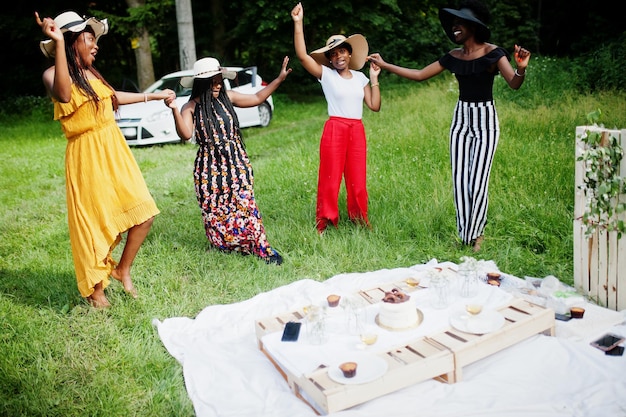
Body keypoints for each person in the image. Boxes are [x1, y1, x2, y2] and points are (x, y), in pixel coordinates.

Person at [35, 11, 175, 308]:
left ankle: (122, 269)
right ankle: (94, 290)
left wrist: (154, 96)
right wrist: (58, 42)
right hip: (86, 155)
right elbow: (63, 93)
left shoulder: (91, 76)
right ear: (72, 42)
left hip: (113, 148)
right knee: (93, 222)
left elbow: (113, 97)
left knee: (144, 212)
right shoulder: (52, 75)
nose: (96, 45)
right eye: (89, 39)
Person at [367, 0, 530, 251]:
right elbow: (420, 75)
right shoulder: (453, 57)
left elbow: (514, 83)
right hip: (461, 121)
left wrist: (520, 69)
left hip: (486, 120)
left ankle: (478, 235)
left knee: (478, 182)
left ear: (473, 27)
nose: (454, 27)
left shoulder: (494, 53)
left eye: (459, 23)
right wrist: (385, 65)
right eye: (452, 24)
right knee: (461, 181)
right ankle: (465, 237)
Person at [165, 57, 291, 264]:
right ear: (201, 84)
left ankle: (260, 247)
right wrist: (174, 111)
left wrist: (279, 79)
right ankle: (225, 246)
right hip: (208, 165)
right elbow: (186, 134)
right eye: (212, 81)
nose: (217, 84)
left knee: (245, 203)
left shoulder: (228, 97)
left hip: (235, 159)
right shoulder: (190, 107)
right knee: (214, 209)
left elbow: (258, 97)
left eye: (218, 80)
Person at [291, 2, 381, 234]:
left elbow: (374, 105)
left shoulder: (361, 78)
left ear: (349, 53)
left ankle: (359, 219)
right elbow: (302, 56)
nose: (339, 56)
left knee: (358, 180)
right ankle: (326, 221)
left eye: (342, 51)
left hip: (356, 130)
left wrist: (374, 78)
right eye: (333, 53)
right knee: (330, 179)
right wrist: (298, 23)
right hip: (335, 128)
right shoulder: (327, 75)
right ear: (329, 59)